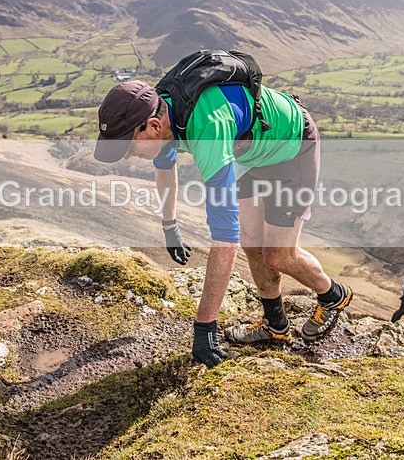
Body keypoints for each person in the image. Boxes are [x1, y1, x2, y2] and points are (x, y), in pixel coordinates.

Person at [93, 66, 353, 368]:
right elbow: (165, 167)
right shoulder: (163, 114)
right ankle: (275, 326)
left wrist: (204, 328)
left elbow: (223, 238)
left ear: (151, 126)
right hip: (249, 152)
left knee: (278, 256)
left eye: (126, 146)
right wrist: (169, 226)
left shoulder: (208, 130)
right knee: (251, 243)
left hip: (291, 148)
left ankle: (333, 295)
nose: (126, 155)